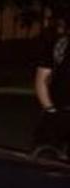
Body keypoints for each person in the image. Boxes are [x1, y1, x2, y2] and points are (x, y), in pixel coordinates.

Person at [34, 16, 70, 158]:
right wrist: (50, 110)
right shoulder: (58, 45)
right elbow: (41, 80)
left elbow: (41, 80)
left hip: (58, 111)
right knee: (46, 159)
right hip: (59, 111)